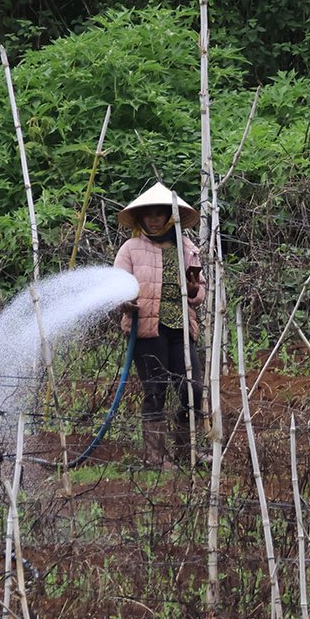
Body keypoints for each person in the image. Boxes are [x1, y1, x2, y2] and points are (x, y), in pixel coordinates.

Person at [113, 180, 204, 465]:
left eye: (159, 214)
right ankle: (155, 456)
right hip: (148, 330)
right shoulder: (130, 248)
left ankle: (186, 451)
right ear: (140, 218)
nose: (153, 220)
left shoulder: (187, 247)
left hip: (181, 328)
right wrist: (125, 302)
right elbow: (116, 287)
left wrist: (192, 290)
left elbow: (200, 290)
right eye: (148, 214)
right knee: (155, 389)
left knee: (193, 388)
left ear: (169, 217)